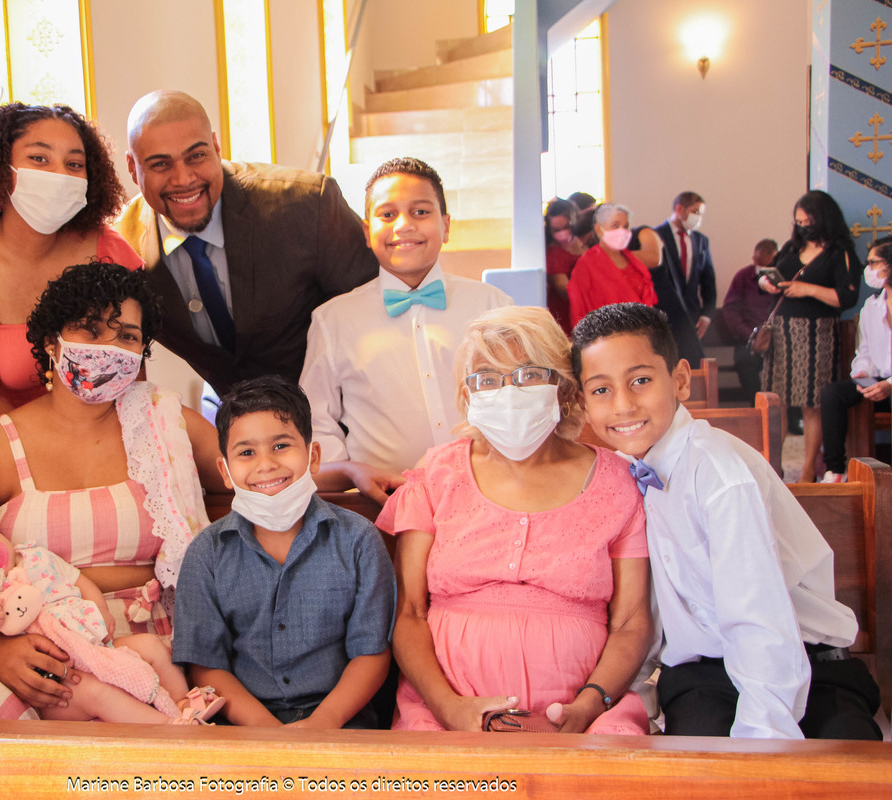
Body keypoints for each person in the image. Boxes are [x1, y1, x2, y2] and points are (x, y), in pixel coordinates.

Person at [0, 262, 225, 720]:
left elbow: (255, 471)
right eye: (90, 330)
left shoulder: (164, 423)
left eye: (127, 336)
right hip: (29, 645)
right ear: (52, 342)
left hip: (149, 648)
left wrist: (334, 468)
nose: (110, 348)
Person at [572, 302, 881, 740]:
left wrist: (760, 745)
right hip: (702, 679)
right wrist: (631, 700)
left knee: (844, 764)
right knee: (694, 765)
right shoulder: (625, 474)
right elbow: (643, 609)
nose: (623, 404)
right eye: (601, 389)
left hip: (809, 664)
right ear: (583, 402)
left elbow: (759, 618)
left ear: (680, 380)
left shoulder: (718, 473)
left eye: (641, 380)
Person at [377, 305, 652, 734]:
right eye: (487, 379)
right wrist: (449, 709)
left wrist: (587, 707)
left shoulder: (616, 481)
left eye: (528, 375)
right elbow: (409, 612)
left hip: (586, 717)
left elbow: (630, 622)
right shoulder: (437, 474)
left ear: (564, 388)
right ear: (468, 397)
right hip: (443, 713)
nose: (508, 392)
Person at [114, 90, 378, 398]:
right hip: (231, 411)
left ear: (216, 147)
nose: (183, 179)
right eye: (161, 164)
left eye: (196, 156)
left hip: (340, 403)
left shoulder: (307, 206)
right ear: (132, 168)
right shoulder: (120, 249)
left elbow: (375, 313)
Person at [173, 377, 395, 728]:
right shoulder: (207, 552)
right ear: (225, 472)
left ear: (313, 456)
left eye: (280, 446)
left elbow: (372, 652)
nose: (265, 464)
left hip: (342, 722)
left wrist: (322, 724)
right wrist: (269, 733)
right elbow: (206, 664)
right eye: (246, 452)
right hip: (244, 727)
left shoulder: (358, 539)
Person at [0, 103, 144, 427]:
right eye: (39, 158)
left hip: (116, 436)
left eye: (74, 164)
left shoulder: (111, 251)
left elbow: (133, 380)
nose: (60, 175)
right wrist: (65, 450)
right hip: (15, 447)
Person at [300, 158, 513, 490]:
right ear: (367, 232)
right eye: (387, 215)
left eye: (420, 212)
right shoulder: (333, 320)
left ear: (445, 226)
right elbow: (317, 418)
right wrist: (350, 478)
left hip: (488, 490)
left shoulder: (493, 306)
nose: (403, 226)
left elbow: (518, 397)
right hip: (385, 501)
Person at [0, 502, 224, 724]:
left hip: (93, 648)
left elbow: (78, 580)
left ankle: (184, 702)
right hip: (53, 680)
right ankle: (168, 728)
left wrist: (100, 610)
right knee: (98, 693)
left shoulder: (34, 557)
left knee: (151, 647)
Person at [759, 190, 863, 482]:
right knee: (776, 401)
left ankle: (807, 470)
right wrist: (766, 283)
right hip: (781, 332)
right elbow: (768, 274)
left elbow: (847, 297)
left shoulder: (840, 253)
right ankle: (773, 466)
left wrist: (807, 289)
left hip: (817, 334)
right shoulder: (792, 247)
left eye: (809, 222)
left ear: (824, 218)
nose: (804, 227)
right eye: (799, 222)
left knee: (812, 404)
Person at [820, 237, 892, 482]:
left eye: (873, 263)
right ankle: (835, 471)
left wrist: (889, 385)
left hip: (890, 384)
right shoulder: (871, 306)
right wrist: (862, 375)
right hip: (877, 380)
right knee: (833, 394)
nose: (867, 269)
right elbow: (865, 352)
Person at [567, 203, 658, 329]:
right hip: (606, 333)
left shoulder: (633, 262)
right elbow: (578, 308)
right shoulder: (587, 264)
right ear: (599, 229)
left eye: (625, 226)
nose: (622, 231)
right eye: (615, 225)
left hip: (640, 331)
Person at [652, 191, 717, 364]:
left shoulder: (701, 241)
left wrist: (707, 314)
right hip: (664, 316)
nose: (698, 217)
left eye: (700, 213)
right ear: (680, 209)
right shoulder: (655, 236)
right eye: (695, 212)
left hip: (692, 317)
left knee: (692, 366)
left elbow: (708, 281)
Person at [720, 239, 780, 402]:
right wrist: (750, 335)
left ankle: (789, 411)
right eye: (756, 263)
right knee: (745, 361)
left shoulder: (780, 278)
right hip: (749, 339)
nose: (760, 270)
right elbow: (730, 310)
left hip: (779, 339)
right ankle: (757, 406)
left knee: (789, 363)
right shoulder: (743, 276)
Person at [543, 198, 582, 332]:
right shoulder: (554, 253)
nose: (562, 233)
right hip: (564, 313)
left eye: (566, 227)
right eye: (556, 230)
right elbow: (563, 289)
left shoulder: (580, 243)